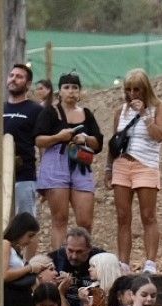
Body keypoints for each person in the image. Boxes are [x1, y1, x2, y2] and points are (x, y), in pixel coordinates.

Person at [109, 68, 162, 269]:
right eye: (129, 90)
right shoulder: (121, 111)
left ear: (146, 89)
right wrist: (108, 168)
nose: (132, 94)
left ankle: (150, 262)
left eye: (137, 89)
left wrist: (144, 114)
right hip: (122, 163)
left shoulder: (159, 108)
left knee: (148, 215)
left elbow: (159, 135)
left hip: (146, 164)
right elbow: (115, 141)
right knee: (122, 216)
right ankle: (123, 262)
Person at [36, 73, 104, 249]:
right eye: (67, 87)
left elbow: (98, 143)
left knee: (85, 221)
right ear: (60, 91)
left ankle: (81, 258)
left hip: (80, 162)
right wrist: (58, 137)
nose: (71, 92)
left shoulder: (87, 114)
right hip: (56, 160)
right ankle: (59, 262)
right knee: (59, 219)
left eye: (75, 88)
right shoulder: (50, 112)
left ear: (80, 91)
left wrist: (86, 138)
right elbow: (38, 139)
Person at [2, 63, 49, 219]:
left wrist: (43, 179)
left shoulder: (36, 110)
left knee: (26, 223)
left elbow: (42, 146)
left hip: (24, 176)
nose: (14, 79)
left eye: (19, 77)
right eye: (11, 76)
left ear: (28, 84)